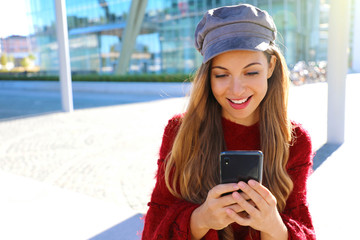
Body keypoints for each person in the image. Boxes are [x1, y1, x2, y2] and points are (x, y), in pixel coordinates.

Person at [142, 3, 316, 240]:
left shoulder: (295, 141)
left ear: (270, 67)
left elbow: (304, 229)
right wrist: (201, 219)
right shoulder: (180, 132)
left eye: (251, 72)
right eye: (222, 75)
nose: (236, 90)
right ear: (207, 76)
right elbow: (154, 230)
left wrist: (273, 226)